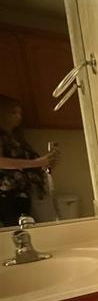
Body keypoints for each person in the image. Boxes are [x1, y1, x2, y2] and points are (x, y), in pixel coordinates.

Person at [0, 94, 59, 227]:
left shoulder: (17, 138)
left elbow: (28, 165)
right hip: (7, 196)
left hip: (23, 195)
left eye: (20, 112)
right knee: (19, 232)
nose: (18, 117)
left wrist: (45, 163)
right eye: (13, 112)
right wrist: (37, 163)